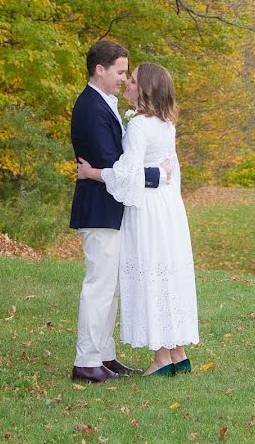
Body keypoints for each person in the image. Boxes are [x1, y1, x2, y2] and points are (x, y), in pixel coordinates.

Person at [77, 62, 199, 376]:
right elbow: (171, 172)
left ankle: (161, 358)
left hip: (146, 210)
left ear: (144, 89)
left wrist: (92, 172)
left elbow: (127, 175)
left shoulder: (141, 126)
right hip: (168, 208)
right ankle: (178, 353)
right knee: (167, 273)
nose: (127, 84)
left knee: (150, 275)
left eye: (132, 80)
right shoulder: (166, 125)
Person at [69, 40, 167, 383]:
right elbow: (112, 166)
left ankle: (104, 355)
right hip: (98, 209)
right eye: (121, 72)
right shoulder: (89, 108)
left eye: (127, 74)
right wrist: (156, 175)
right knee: (99, 284)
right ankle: (86, 361)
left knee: (110, 286)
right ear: (101, 70)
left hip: (111, 209)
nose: (125, 80)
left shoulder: (105, 103)